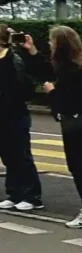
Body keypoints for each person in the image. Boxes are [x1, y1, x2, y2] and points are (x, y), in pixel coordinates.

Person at [24, 27, 82, 228]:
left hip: (75, 120)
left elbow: (69, 99)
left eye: (52, 41)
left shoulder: (72, 70)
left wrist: (52, 92)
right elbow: (47, 70)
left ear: (60, 44)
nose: (49, 44)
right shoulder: (77, 62)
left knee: (78, 165)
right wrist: (32, 51)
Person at [0, 26, 42, 212]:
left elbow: (24, 85)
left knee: (21, 155)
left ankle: (32, 196)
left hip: (15, 113)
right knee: (8, 156)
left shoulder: (13, 57)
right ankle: (14, 193)